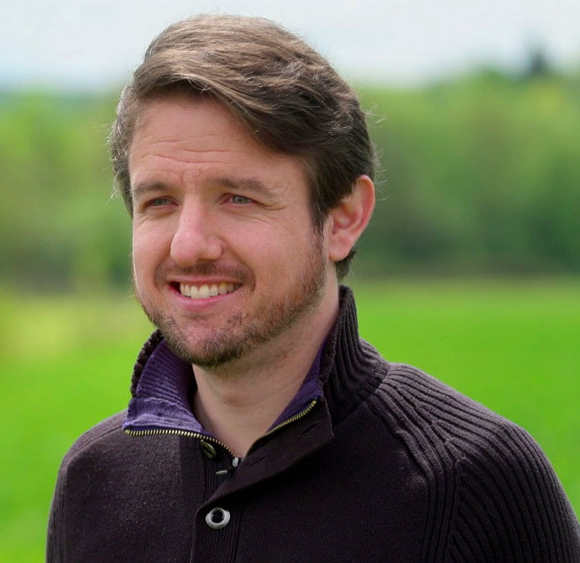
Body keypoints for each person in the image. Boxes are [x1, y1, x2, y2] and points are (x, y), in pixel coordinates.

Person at [46, 14, 580, 561]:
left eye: (238, 198)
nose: (188, 246)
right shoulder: (93, 481)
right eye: (159, 201)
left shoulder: (477, 485)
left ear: (343, 219)